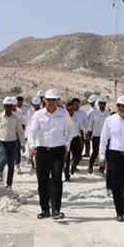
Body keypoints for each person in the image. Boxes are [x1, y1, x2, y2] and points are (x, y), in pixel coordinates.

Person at [26, 88, 75, 220]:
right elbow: (32, 131)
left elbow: (71, 128)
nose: (51, 102)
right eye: (49, 99)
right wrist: (32, 145)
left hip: (58, 151)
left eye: (54, 99)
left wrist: (67, 144)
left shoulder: (63, 114)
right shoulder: (38, 115)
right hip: (42, 151)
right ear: (45, 100)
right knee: (42, 181)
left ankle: (56, 210)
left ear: (58, 101)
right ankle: (44, 210)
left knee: (57, 179)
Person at [0, 97, 25, 189]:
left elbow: (20, 132)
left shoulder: (16, 119)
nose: (8, 108)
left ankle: (9, 185)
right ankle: (0, 170)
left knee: (11, 165)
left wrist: (22, 144)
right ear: (3, 106)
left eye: (10, 106)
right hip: (2, 142)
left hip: (13, 143)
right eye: (6, 106)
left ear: (13, 107)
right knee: (4, 158)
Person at [85, 96, 110, 174]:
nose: (102, 105)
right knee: (95, 151)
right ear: (98, 104)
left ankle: (102, 167)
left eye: (103, 103)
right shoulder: (94, 113)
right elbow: (90, 125)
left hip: (106, 136)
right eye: (100, 103)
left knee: (105, 152)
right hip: (96, 135)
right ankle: (90, 165)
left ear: (105, 104)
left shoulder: (108, 113)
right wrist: (88, 135)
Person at [63, 101, 81, 181]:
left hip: (75, 138)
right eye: (68, 110)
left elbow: (80, 127)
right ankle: (67, 176)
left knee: (78, 156)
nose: (69, 111)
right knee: (66, 158)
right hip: (66, 140)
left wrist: (82, 137)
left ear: (73, 109)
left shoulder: (77, 116)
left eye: (71, 110)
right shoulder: (62, 117)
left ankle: (73, 166)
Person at [25, 96, 42, 171]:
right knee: (31, 149)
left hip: (39, 133)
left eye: (37, 105)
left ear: (40, 104)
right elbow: (28, 123)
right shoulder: (29, 112)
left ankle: (39, 165)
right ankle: (32, 165)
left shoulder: (43, 111)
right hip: (31, 133)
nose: (36, 107)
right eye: (34, 105)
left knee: (39, 150)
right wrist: (26, 135)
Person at [71, 97, 88, 167]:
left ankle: (75, 163)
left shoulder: (83, 113)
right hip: (70, 135)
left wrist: (86, 134)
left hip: (80, 135)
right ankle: (72, 164)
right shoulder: (68, 112)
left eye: (78, 104)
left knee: (79, 151)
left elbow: (86, 124)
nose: (77, 106)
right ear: (72, 104)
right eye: (75, 104)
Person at [13, 96, 27, 175]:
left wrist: (22, 135)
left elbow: (23, 123)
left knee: (17, 148)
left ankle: (17, 165)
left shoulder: (19, 112)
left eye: (14, 105)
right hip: (8, 133)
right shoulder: (6, 111)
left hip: (17, 133)